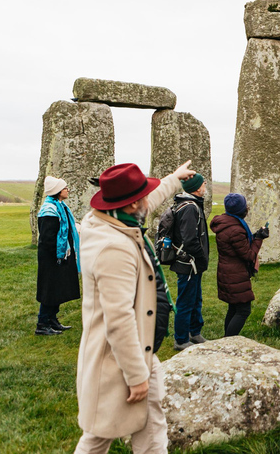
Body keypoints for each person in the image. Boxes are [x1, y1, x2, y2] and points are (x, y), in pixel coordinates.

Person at [74, 161, 195, 453]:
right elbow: (119, 319)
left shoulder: (110, 220)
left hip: (140, 350)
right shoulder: (113, 248)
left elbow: (145, 204)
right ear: (130, 206)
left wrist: (174, 180)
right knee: (98, 436)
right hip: (118, 361)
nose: (147, 200)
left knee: (152, 431)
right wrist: (137, 375)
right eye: (142, 196)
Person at [210, 193, 269, 336]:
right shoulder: (236, 229)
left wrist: (254, 235)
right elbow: (249, 255)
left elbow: (239, 246)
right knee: (243, 310)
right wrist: (259, 239)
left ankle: (226, 340)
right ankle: (228, 341)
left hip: (228, 271)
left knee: (234, 308)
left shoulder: (228, 224)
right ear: (242, 210)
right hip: (235, 274)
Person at [168, 173, 210, 351]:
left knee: (195, 298)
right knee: (186, 301)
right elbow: (189, 240)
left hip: (193, 263)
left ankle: (195, 332)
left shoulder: (192, 205)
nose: (206, 185)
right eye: (203, 183)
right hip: (188, 263)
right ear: (197, 187)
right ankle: (181, 339)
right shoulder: (190, 208)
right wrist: (201, 256)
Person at [35, 176, 80, 335]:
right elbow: (47, 238)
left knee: (57, 289)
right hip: (52, 258)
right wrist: (58, 256)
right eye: (65, 187)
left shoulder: (60, 207)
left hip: (60, 256)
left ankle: (52, 320)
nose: (68, 190)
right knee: (50, 290)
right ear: (57, 191)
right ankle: (42, 324)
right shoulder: (49, 211)